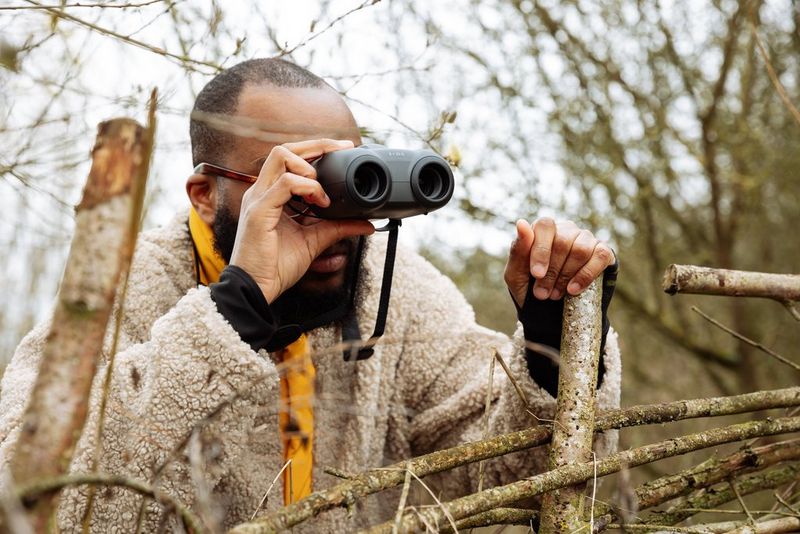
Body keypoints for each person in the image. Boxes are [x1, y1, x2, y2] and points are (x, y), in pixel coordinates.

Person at [0, 58, 620, 532]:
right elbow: (34, 499)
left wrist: (551, 344)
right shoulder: (128, 289)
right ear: (203, 194)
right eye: (296, 185)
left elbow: (511, 481)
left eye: (350, 179)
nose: (327, 221)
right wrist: (235, 306)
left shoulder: (393, 286)